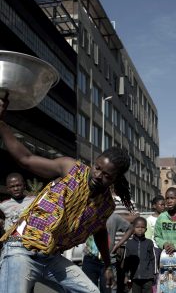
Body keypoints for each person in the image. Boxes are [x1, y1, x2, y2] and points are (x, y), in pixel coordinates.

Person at [0, 98, 133, 293]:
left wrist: (107, 265)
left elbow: (100, 232)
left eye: (106, 175)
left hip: (51, 257)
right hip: (22, 249)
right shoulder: (71, 168)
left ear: (115, 179)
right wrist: (1, 122)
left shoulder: (106, 205)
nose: (97, 175)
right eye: (97, 167)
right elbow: (26, 159)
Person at [82, 212, 134, 292]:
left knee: (107, 289)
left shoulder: (113, 217)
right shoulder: (88, 216)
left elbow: (130, 228)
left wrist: (117, 245)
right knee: (89, 289)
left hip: (109, 261)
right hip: (90, 259)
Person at [124, 217, 156, 293]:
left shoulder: (149, 243)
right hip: (134, 278)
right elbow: (126, 261)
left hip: (148, 278)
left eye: (142, 227)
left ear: (146, 229)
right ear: (133, 228)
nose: (140, 229)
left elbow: (153, 258)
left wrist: (154, 274)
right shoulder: (129, 243)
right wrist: (126, 275)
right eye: (137, 227)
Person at [145, 195, 165, 293]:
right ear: (154, 206)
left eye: (164, 205)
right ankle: (154, 289)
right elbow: (148, 236)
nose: (163, 206)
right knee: (155, 270)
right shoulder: (149, 220)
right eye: (161, 205)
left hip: (165, 248)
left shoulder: (166, 218)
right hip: (155, 248)